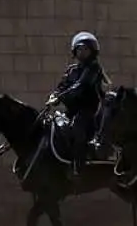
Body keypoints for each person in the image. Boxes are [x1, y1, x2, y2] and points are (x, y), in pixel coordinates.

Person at [46, 31, 111, 176]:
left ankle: (79, 165)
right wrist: (53, 96)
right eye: (79, 49)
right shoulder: (71, 70)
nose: (82, 52)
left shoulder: (94, 68)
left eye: (86, 49)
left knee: (77, 127)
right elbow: (61, 87)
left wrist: (60, 98)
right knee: (55, 126)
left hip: (89, 110)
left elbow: (79, 87)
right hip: (71, 110)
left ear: (92, 51)